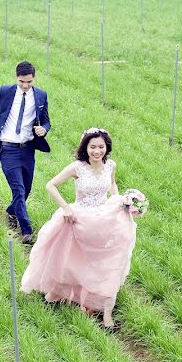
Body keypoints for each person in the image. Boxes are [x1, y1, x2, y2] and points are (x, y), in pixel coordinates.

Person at [20, 128, 137, 328]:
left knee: (105, 263)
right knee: (74, 260)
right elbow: (51, 185)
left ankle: (106, 314)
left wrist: (120, 203)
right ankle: (68, 295)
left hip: (104, 218)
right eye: (93, 147)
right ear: (86, 147)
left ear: (107, 147)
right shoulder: (77, 168)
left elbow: (113, 186)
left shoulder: (111, 166)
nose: (97, 151)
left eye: (101, 147)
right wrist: (65, 207)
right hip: (79, 219)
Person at [0, 61, 51, 244]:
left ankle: (11, 211)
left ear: (34, 78)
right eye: (21, 82)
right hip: (8, 148)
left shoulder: (41, 96)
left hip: (27, 149)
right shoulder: (5, 91)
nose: (25, 86)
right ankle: (26, 230)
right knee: (17, 189)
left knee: (26, 190)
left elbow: (47, 121)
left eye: (29, 82)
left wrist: (44, 129)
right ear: (16, 77)